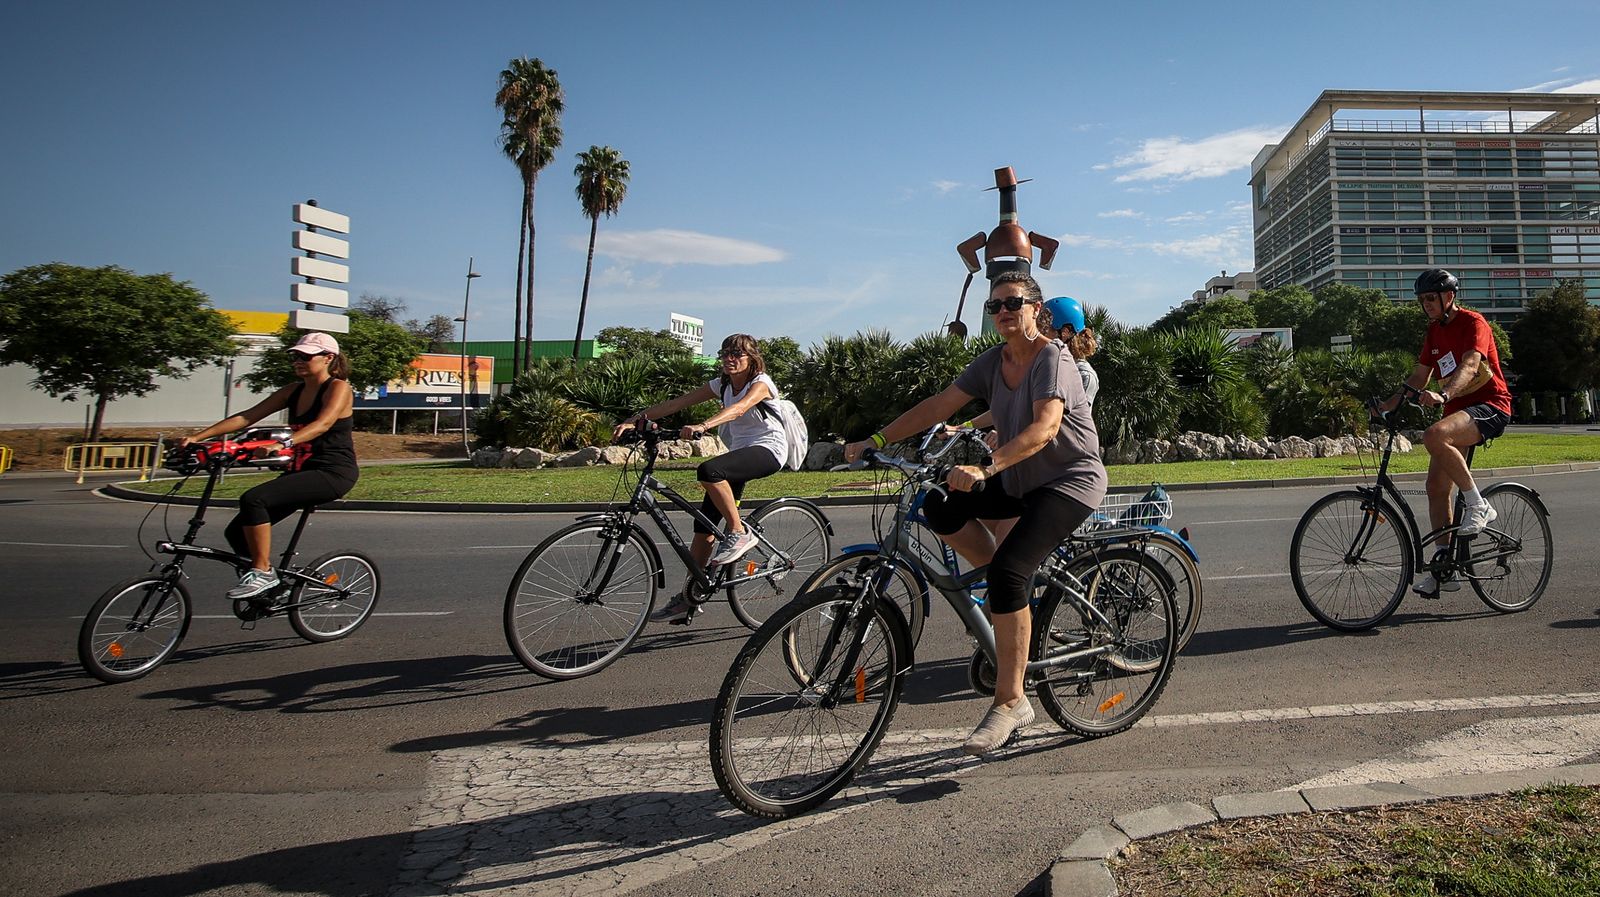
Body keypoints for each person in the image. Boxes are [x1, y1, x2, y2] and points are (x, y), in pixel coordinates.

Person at [844, 271, 1107, 755]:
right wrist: (877, 440)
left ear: (1036, 309)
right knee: (938, 505)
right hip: (1021, 478)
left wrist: (987, 466)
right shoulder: (992, 361)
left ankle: (1012, 702)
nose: (1003, 311)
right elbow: (939, 404)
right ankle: (999, 599)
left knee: (1011, 574)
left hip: (1069, 482)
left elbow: (1046, 428)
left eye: (1012, 302)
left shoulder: (1053, 357)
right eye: (995, 306)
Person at [614, 334, 787, 624]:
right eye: (725, 353)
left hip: (768, 450)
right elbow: (675, 404)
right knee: (703, 527)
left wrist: (704, 425)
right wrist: (634, 419)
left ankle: (739, 531)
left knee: (709, 471)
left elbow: (740, 409)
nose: (730, 359)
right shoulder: (720, 385)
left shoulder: (762, 383)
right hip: (738, 456)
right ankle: (690, 595)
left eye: (738, 354)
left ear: (752, 359)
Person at [180, 332, 359, 601]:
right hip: (301, 470)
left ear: (328, 358)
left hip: (333, 472)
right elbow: (247, 416)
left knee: (254, 499)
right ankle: (272, 584)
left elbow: (322, 424)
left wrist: (283, 442)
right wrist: (198, 437)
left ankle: (262, 571)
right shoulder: (293, 390)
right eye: (295, 356)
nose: (298, 361)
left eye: (306, 356)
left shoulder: (338, 388)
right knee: (237, 532)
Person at [1376, 268, 1512, 596]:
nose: (1426, 305)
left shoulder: (1473, 322)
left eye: (1431, 298)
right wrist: (1384, 406)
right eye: (1422, 300)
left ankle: (1478, 505)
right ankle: (1445, 568)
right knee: (1436, 488)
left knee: (1433, 435)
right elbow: (1419, 377)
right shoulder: (1434, 332)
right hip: (1458, 414)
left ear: (1448, 296)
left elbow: (1469, 365)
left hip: (1491, 406)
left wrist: (1445, 395)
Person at [1041, 295, 1099, 404]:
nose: (1040, 335)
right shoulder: (1042, 364)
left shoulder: (1084, 375)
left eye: (1045, 330)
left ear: (1065, 333)